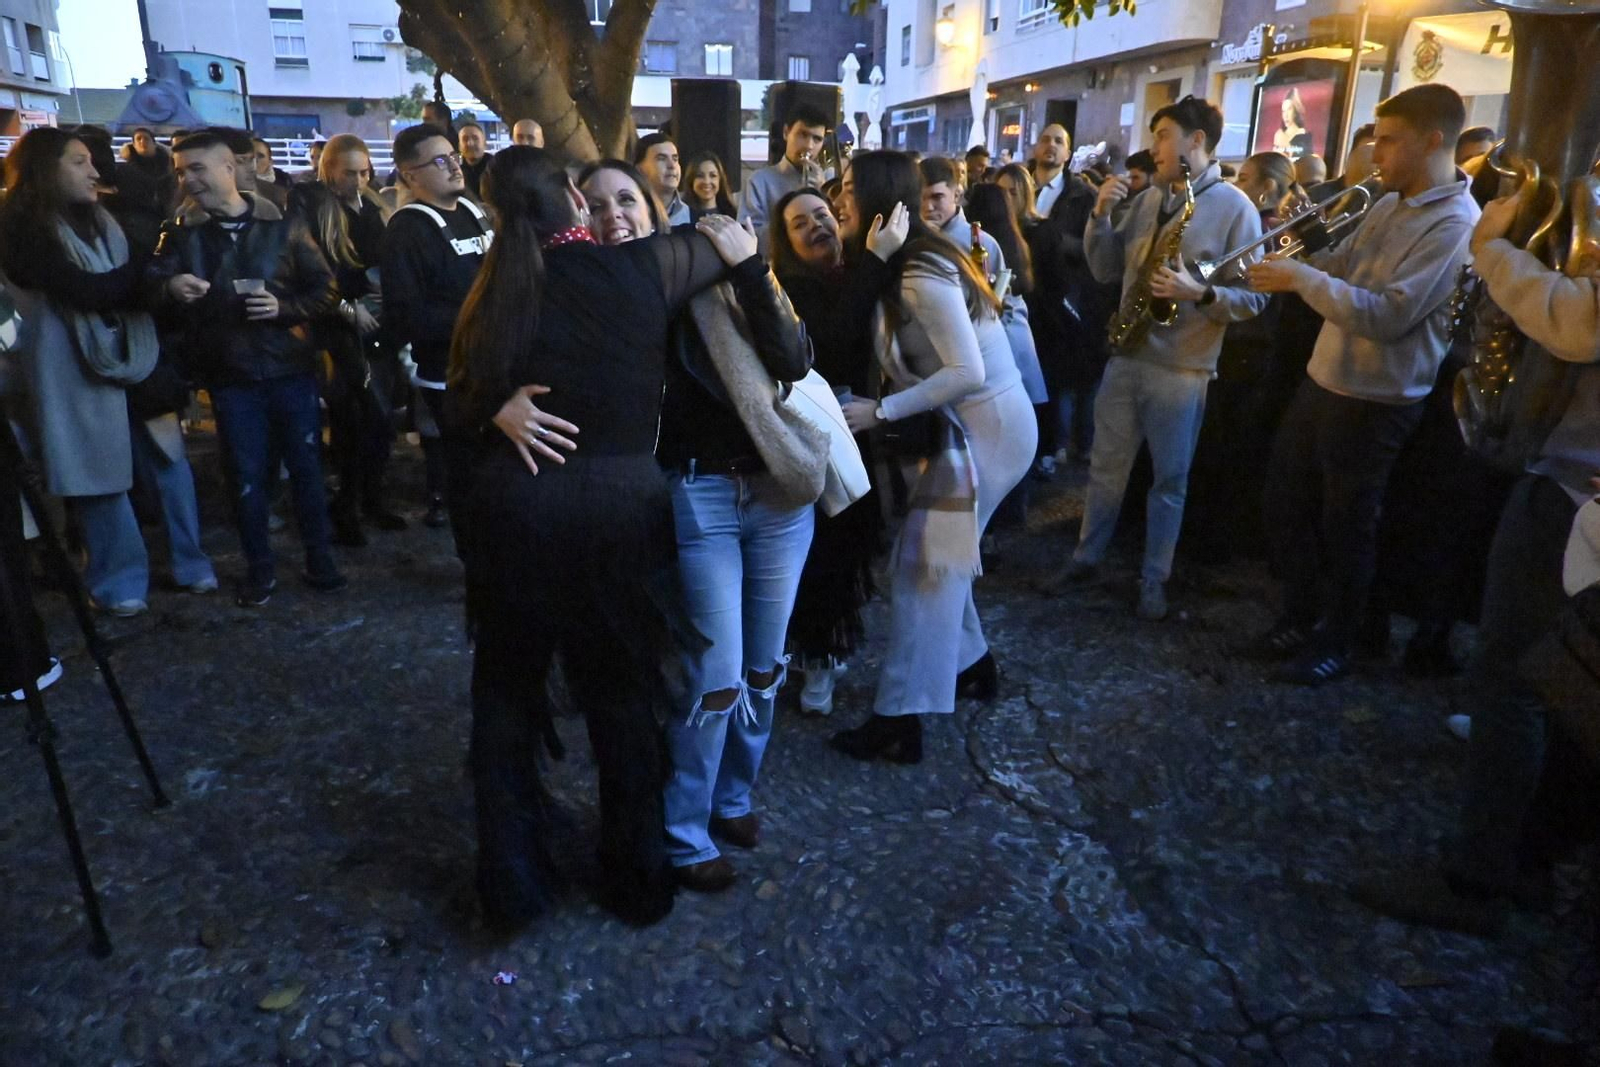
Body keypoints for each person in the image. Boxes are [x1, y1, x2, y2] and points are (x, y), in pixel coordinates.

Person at [448, 147, 755, 929]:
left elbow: (449, 392)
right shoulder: (644, 268)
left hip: (515, 512)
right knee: (623, 697)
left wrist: (492, 405)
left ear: (499, 217)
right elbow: (725, 239)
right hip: (619, 511)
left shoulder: (493, 291)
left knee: (507, 699)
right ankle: (638, 876)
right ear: (577, 208)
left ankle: (511, 887)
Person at [1351, 188, 1600, 937]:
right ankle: (1527, 852)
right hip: (1569, 474)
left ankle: (1483, 872)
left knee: (1514, 676)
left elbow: (1580, 323)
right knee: (1553, 677)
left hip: (1574, 487)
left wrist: (1493, 251)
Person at [577, 159, 814, 893]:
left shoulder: (712, 269)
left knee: (766, 669)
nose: (614, 212)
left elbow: (794, 359)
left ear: (653, 212)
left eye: (627, 199)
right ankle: (683, 832)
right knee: (715, 674)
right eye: (595, 203)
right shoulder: (585, 296)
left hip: (776, 492)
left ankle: (732, 796)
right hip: (696, 496)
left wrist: (750, 272)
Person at [1246, 84, 1479, 685]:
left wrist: (1300, 278)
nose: (1376, 155)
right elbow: (1345, 264)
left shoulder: (1456, 222)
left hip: (1379, 399)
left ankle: (1345, 639)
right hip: (1325, 379)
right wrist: (1291, 259)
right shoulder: (1387, 202)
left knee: (1349, 526)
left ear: (1434, 142)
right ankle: (1301, 616)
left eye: (1390, 142)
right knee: (1286, 503)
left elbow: (1388, 315)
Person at [827, 151, 1037, 764]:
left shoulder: (918, 272)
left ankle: (900, 717)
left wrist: (882, 412)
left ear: (874, 197)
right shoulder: (904, 262)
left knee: (924, 572)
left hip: (988, 431)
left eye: (845, 189)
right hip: (971, 429)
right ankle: (972, 666)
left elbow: (966, 371)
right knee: (938, 559)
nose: (838, 199)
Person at [1042, 96, 1269, 620]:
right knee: (1105, 468)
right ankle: (1085, 558)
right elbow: (1104, 270)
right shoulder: (1150, 200)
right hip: (1126, 353)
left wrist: (1202, 294)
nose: (1154, 146)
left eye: (1163, 134)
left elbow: (1256, 300)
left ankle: (1154, 579)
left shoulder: (1236, 208)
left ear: (1196, 141)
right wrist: (1100, 216)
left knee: (1170, 479)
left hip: (1182, 366)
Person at [0, 128, 216, 616]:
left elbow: (130, 277)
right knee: (98, 477)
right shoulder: (19, 226)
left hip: (136, 357)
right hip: (70, 372)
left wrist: (162, 286)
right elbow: (84, 290)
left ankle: (191, 563)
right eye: (79, 162)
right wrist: (149, 283)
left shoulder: (106, 220)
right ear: (44, 168)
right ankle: (121, 584)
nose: (95, 171)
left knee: (167, 460)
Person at [154, 130, 342, 606]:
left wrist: (284, 308)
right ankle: (260, 569)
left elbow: (326, 289)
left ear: (228, 169)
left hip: (289, 369)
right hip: (230, 376)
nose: (187, 179)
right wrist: (170, 287)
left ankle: (320, 559)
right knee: (245, 476)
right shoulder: (179, 231)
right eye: (180, 171)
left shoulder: (283, 222)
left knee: (306, 469)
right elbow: (150, 284)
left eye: (196, 168)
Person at [770, 188, 906, 717]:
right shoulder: (790, 289)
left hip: (856, 428)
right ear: (786, 242)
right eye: (800, 224)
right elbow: (835, 339)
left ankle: (817, 658)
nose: (817, 226)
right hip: (815, 433)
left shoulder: (845, 272)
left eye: (822, 215)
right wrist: (876, 259)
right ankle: (815, 665)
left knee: (843, 553)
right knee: (823, 555)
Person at [381, 122, 495, 536]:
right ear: (411, 175)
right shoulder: (407, 230)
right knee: (467, 478)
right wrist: (483, 318)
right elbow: (406, 316)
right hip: (450, 379)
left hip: (493, 367)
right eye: (440, 160)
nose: (454, 166)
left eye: (453, 156)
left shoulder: (472, 209)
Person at [297, 134, 406, 545]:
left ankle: (372, 498)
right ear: (329, 171)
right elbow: (313, 273)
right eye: (350, 173)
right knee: (351, 420)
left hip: (377, 322)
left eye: (365, 172)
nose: (359, 180)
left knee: (380, 418)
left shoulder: (374, 204)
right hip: (338, 328)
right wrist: (346, 308)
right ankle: (347, 506)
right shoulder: (315, 208)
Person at [920, 157, 1047, 406]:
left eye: (936, 197)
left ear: (956, 194)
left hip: (983, 363)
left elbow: (1003, 304)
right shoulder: (916, 239)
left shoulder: (980, 243)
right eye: (922, 198)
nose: (928, 207)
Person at [738, 103, 829, 252]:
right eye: (803, 135)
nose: (809, 146)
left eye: (817, 139)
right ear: (786, 132)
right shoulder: (759, 181)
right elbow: (748, 236)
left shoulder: (828, 179)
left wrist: (822, 195)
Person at [634, 133, 690, 227]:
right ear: (640, 169)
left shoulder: (696, 220)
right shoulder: (627, 217)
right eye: (661, 159)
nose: (672, 166)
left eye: (675, 159)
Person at [682, 149, 737, 220]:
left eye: (713, 175)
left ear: (720, 180)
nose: (707, 181)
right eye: (700, 175)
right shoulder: (681, 214)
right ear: (691, 180)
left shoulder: (733, 215)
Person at [1272, 88, 1314, 160]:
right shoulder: (1279, 135)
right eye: (1283, 111)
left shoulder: (1304, 136)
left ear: (1295, 111)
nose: (1286, 115)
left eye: (1289, 110)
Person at [457, 121, 492, 200]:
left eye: (475, 138)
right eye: (465, 139)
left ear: (485, 143)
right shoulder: (454, 166)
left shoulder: (496, 165)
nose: (470, 143)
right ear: (459, 146)